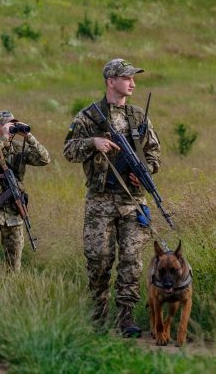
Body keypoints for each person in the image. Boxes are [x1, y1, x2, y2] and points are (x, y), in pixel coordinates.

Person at [63, 58, 161, 337]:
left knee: (132, 259)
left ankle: (127, 317)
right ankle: (98, 314)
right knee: (99, 259)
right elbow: (68, 151)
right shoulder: (88, 117)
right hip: (101, 200)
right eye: (127, 77)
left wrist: (147, 171)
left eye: (133, 77)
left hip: (133, 200)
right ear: (110, 81)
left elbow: (154, 154)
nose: (133, 82)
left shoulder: (139, 116)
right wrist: (91, 143)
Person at [0, 110, 50, 271]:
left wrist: (29, 137)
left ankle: (8, 294)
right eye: (6, 125)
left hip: (14, 213)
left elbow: (45, 159)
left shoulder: (19, 149)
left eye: (13, 124)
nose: (11, 128)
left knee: (14, 263)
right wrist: (3, 138)